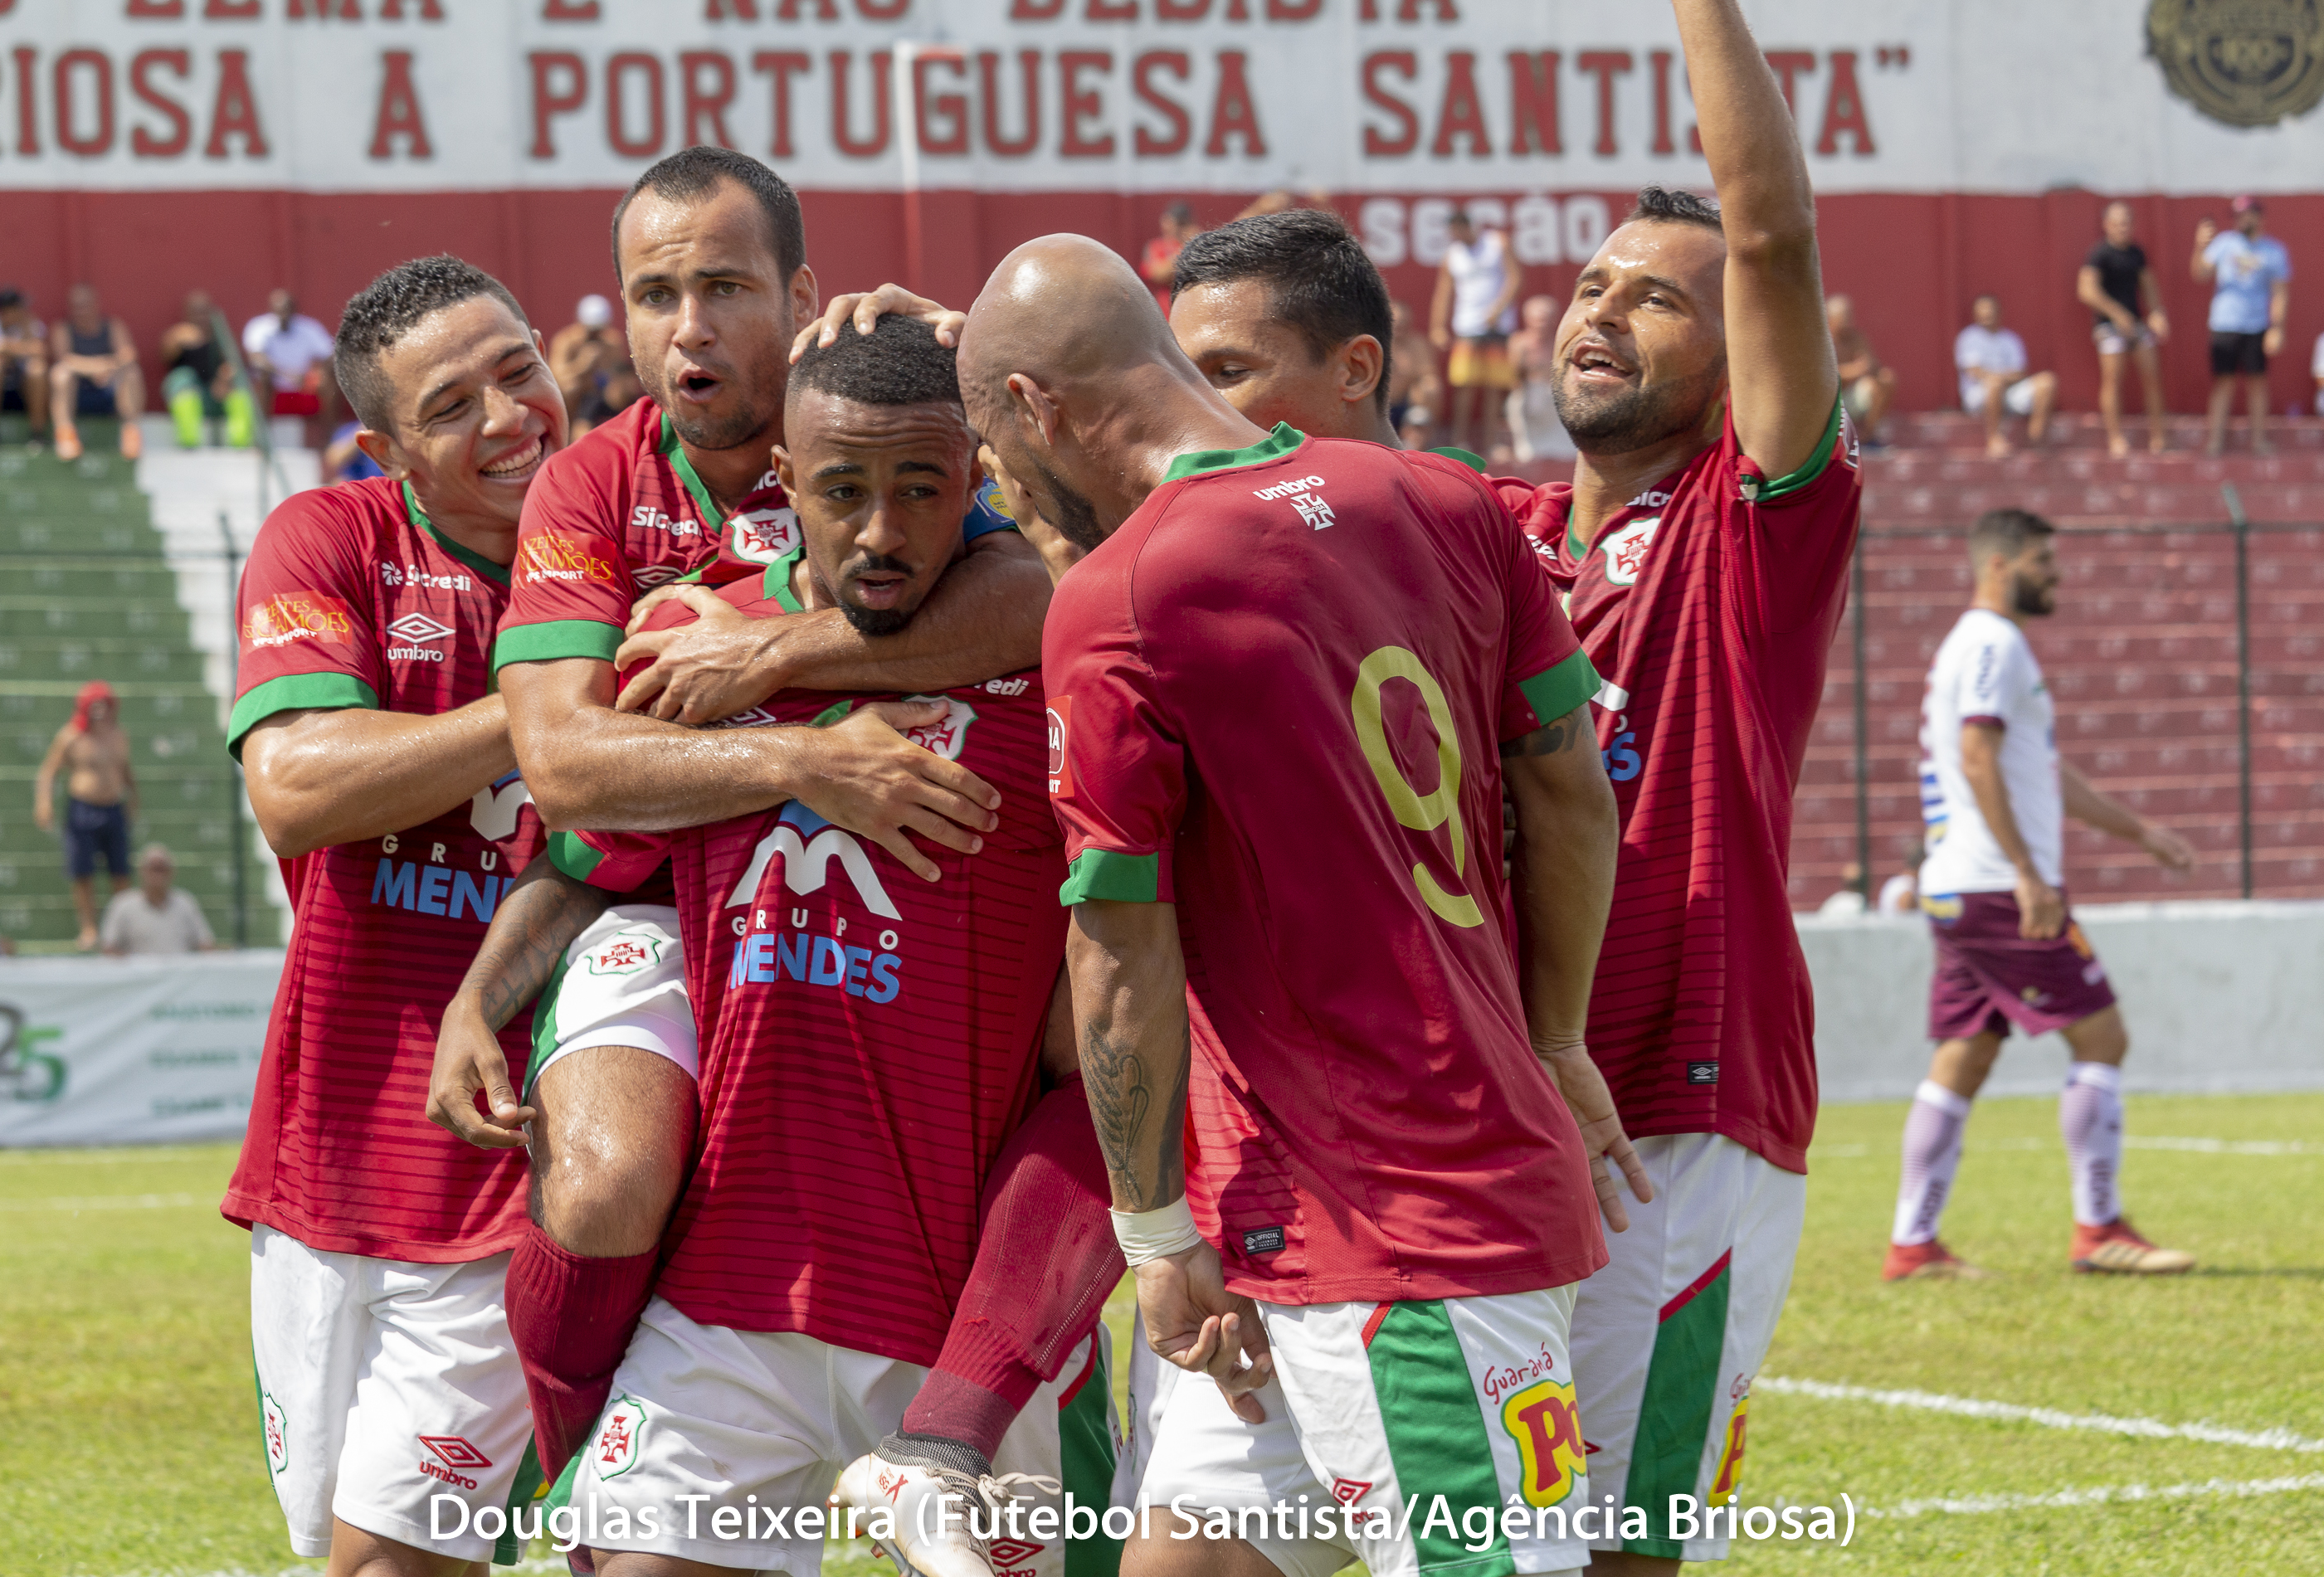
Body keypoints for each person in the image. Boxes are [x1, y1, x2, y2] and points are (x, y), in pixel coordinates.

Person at [957, 228, 1627, 1577]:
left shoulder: (1119, 597)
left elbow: (1119, 947)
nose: (1007, 483)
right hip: (1313, 1216)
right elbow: (1566, 790)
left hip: (1405, 1245)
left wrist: (1147, 1234)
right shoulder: (1439, 499)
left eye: (996, 447)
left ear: (1031, 409)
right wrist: (1555, 1037)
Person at [476, 147, 1079, 1527]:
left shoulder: (920, 413)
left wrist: (780, 654)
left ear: (805, 297)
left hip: (918, 898)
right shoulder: (596, 482)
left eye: (726, 286)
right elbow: (567, 763)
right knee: (616, 1170)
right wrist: (802, 753)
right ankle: (560, 1454)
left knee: (1096, 1025)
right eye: (654, 291)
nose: (688, 323)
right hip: (670, 881)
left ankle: (980, 1405)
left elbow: (1059, 584)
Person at [1507, 2, 1860, 1565]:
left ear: (1735, 370)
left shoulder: (1749, 528)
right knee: (1481, 1524)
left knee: (1624, 1543)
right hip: (1496, 1099)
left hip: (1684, 1105)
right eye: (1592, 286)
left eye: (1661, 300)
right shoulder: (1486, 539)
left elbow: (1773, 236)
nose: (1604, 313)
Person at [226, 254, 569, 1575]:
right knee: (335, 1546)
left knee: (392, 1564)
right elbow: (296, 783)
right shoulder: (331, 539)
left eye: (516, 369)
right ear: (385, 447)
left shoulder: (627, 541)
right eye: (451, 406)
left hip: (516, 1165)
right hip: (319, 1168)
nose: (507, 418)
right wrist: (547, 708)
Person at [1892, 509, 2196, 1280]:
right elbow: (1977, 754)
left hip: (1962, 883)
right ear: (1998, 565)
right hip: (1998, 883)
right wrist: (2028, 872)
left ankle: (1912, 1242)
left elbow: (2039, 772)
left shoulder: (1976, 645)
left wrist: (2138, 833)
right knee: (2102, 1039)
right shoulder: (1993, 641)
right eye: (2040, 560)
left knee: (1963, 1056)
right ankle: (2098, 1230)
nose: (2053, 573)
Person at [1163, 207, 1401, 446]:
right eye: (1185, 379)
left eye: (1229, 373)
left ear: (1356, 370)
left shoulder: (1438, 482)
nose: (1190, 408)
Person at [34, 680, 137, 952]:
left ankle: (120, 930)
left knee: (120, 873)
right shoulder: (71, 736)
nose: (99, 711)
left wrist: (133, 799)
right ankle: (89, 928)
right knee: (83, 873)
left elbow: (126, 772)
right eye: (94, 705)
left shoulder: (118, 735)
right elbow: (49, 772)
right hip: (83, 808)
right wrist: (44, 803)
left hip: (113, 806)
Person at [2192, 196, 2292, 456]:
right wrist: (2199, 247)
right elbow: (2200, 274)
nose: (2242, 221)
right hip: (2225, 323)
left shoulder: (2274, 251)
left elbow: (2280, 292)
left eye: (2247, 215)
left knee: (2257, 383)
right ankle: (2215, 441)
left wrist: (2277, 328)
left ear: (2259, 217)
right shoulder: (2224, 244)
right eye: (2237, 216)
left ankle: (2259, 441)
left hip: (2257, 325)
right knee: (2223, 383)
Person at [2078, 202, 2170, 458]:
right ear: (2106, 225)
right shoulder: (2099, 254)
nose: (2122, 228)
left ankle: (2158, 436)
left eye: (2126, 223)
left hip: (2136, 324)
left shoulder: (2137, 253)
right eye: (2117, 223)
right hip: (2109, 326)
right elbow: (2086, 290)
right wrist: (2117, 314)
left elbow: (2148, 284)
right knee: (2113, 380)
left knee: (2152, 376)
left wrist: (2157, 313)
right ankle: (2116, 438)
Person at [1429, 207, 1522, 460]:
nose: (1456, 234)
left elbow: (1515, 278)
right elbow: (1443, 292)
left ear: (1470, 226)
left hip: (1497, 328)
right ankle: (1460, 443)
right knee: (1464, 386)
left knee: (1493, 388)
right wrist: (1438, 326)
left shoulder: (1497, 243)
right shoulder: (1452, 255)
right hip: (1467, 328)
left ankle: (1490, 443)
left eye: (1460, 229)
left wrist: (1497, 310)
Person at [49, 285, 146, 461]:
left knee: (132, 373)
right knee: (60, 374)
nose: (81, 311)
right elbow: (64, 359)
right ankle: (65, 436)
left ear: (96, 304)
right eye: (76, 306)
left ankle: (131, 434)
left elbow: (128, 355)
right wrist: (98, 367)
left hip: (109, 394)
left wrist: (107, 369)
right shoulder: (62, 329)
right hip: (78, 396)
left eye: (84, 305)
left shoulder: (113, 326)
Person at [1955, 294, 2056, 457]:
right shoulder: (1969, 337)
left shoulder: (2010, 339)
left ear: (1999, 312)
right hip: (1978, 395)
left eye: (1990, 309)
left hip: (2009, 393)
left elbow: (2020, 372)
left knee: (2047, 382)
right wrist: (2000, 378)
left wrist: (2001, 379)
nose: (1986, 313)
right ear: (1975, 314)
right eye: (1982, 310)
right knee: (1994, 383)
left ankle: (2036, 439)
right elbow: (1973, 371)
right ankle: (1994, 440)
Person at [158, 290, 253, 449]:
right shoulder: (178, 335)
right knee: (181, 377)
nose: (200, 317)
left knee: (240, 388)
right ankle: (189, 442)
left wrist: (224, 379)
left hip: (216, 395)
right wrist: (176, 340)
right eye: (195, 313)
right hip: (190, 394)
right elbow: (164, 355)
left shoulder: (221, 335)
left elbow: (233, 363)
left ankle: (241, 443)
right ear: (186, 314)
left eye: (204, 312)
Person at [242, 288, 337, 442]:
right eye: (279, 310)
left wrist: (317, 373)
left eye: (286, 310)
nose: (283, 315)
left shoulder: (309, 328)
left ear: (294, 310)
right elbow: (256, 358)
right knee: (263, 377)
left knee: (329, 382)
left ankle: (330, 440)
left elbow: (330, 355)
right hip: (272, 389)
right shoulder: (259, 327)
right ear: (272, 309)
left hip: (303, 387)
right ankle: (261, 440)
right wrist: (286, 374)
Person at [98, 843, 217, 955]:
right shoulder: (123, 904)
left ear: (171, 872)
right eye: (153, 869)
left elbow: (205, 945)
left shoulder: (185, 903)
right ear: (142, 871)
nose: (157, 875)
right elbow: (109, 948)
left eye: (161, 869)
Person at [0, 286, 50, 445]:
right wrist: (22, 348)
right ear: (4, 311)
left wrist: (17, 339)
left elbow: (40, 351)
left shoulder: (31, 326)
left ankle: (37, 434)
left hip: (22, 393)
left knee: (38, 370)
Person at [548, 292, 633, 436]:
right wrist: (582, 365)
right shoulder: (566, 341)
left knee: (621, 390)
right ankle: (570, 433)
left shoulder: (611, 341)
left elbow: (618, 374)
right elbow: (556, 378)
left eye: (599, 331)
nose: (595, 336)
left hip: (600, 395)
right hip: (576, 398)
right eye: (591, 331)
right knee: (571, 389)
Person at [1508, 293, 1576, 460]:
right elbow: (1514, 379)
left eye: (1545, 319)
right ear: (1527, 319)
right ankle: (1525, 449)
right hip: (1529, 397)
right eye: (1537, 319)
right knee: (1518, 401)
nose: (1541, 324)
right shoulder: (1519, 343)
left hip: (1556, 397)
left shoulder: (1562, 343)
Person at [1826, 294, 1897, 450]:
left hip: (1853, 397)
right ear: (1830, 318)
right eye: (1843, 316)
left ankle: (1868, 436)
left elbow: (1870, 365)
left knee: (1886, 379)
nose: (1847, 320)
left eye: (1849, 315)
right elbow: (1828, 375)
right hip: (1828, 402)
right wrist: (1856, 370)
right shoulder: (1823, 340)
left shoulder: (1857, 338)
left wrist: (1867, 370)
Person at [1386, 299, 1438, 442]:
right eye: (1396, 323)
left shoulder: (1418, 344)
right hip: (1380, 406)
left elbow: (1429, 376)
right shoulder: (1376, 344)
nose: (1400, 327)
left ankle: (1416, 439)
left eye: (1403, 323)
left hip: (1408, 405)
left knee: (1430, 388)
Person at [1138, 201, 1198, 316]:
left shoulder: (1195, 243)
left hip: (1189, 309)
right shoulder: (1156, 246)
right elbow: (1158, 274)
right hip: (1164, 311)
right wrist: (1188, 247)